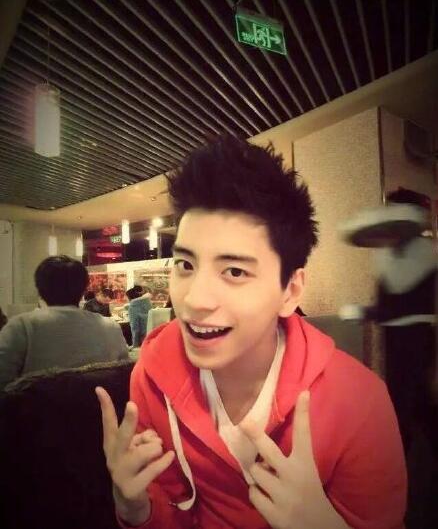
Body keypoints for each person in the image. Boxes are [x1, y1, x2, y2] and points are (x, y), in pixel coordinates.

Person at [96, 136, 406, 529]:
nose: (194, 299)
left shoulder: (360, 402)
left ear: (290, 291)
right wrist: (135, 508)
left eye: (235, 271)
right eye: (185, 265)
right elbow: (171, 510)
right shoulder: (152, 376)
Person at [339, 188, 437, 456]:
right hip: (395, 336)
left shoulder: (424, 253)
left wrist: (366, 313)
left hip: (415, 336)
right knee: (415, 400)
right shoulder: (391, 253)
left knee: (406, 401)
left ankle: (396, 459)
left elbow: (401, 298)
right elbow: (388, 302)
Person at [0, 256, 129, 390]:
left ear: (39, 289)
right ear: (84, 289)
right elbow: (124, 377)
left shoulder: (21, 327)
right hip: (100, 403)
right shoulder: (111, 327)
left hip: (39, 404)